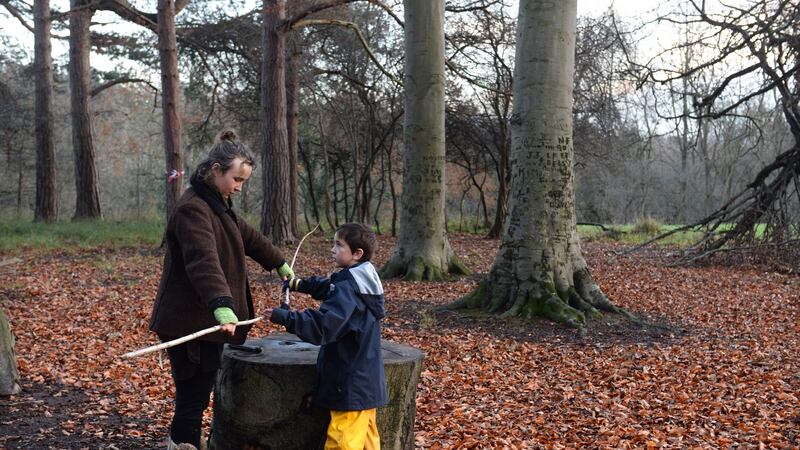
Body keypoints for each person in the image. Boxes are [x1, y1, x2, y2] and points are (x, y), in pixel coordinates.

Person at [149, 130, 295, 450]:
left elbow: (249, 237)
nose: (240, 187)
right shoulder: (193, 209)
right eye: (237, 179)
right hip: (189, 320)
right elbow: (203, 261)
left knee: (201, 389)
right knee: (193, 392)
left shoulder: (218, 205)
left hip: (208, 321)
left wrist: (279, 263)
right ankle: (181, 443)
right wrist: (222, 302)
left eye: (243, 181)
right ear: (216, 169)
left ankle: (184, 440)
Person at [270, 223, 387, 450]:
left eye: (338, 245)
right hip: (362, 381)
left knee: (342, 442)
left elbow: (324, 325)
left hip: (351, 382)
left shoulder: (351, 289)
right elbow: (331, 286)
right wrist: (301, 284)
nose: (332, 249)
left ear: (357, 253)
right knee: (365, 441)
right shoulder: (359, 278)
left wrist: (286, 318)